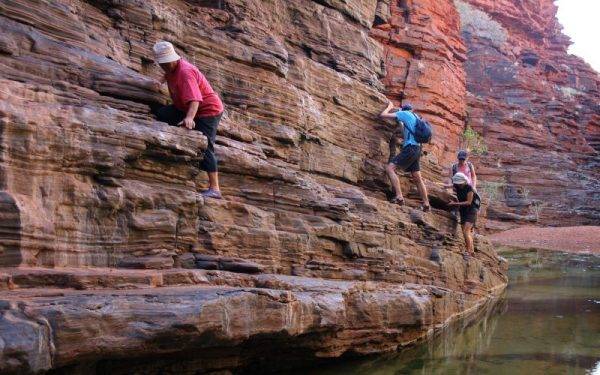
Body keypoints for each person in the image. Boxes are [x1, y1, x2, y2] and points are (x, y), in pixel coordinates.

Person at [152, 41, 224, 199]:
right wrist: (160, 81)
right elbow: (167, 73)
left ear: (174, 59)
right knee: (162, 113)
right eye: (161, 64)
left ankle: (215, 189)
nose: (163, 67)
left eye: (166, 63)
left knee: (206, 146)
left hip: (208, 110)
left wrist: (189, 119)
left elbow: (195, 100)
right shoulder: (170, 67)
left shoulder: (185, 72)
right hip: (185, 107)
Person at [380, 101, 430, 211]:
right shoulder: (416, 117)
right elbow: (405, 133)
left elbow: (383, 115)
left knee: (390, 168)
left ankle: (399, 197)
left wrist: (389, 107)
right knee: (417, 177)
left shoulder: (404, 114)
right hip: (417, 149)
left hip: (410, 148)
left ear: (403, 110)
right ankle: (426, 204)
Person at [448, 172, 480, 258]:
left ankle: (468, 251)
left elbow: (469, 202)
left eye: (459, 183)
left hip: (471, 210)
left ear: (463, 181)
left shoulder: (470, 188)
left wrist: (455, 203)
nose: (458, 184)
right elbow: (448, 186)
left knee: (466, 231)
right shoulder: (457, 186)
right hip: (463, 211)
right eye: (456, 183)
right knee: (465, 232)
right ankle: (472, 251)